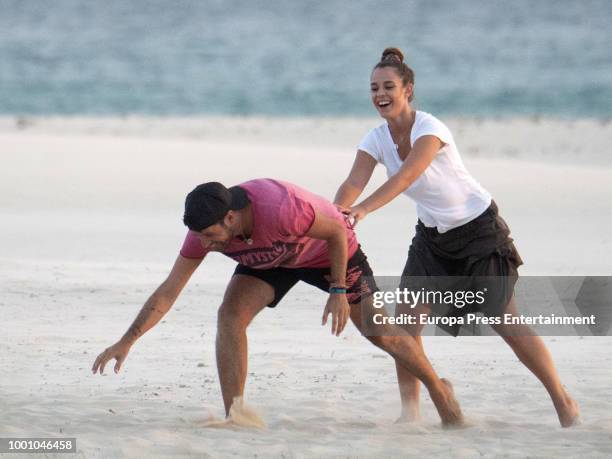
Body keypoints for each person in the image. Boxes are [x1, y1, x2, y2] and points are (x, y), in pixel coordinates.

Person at [333, 47, 579, 427]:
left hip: (479, 231)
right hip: (433, 239)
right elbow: (353, 181)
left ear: (408, 89)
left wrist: (363, 209)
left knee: (505, 321)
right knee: (406, 320)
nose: (380, 94)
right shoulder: (376, 138)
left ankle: (563, 402)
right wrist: (335, 217)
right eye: (373, 88)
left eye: (388, 86)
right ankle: (410, 413)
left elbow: (406, 177)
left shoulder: (430, 129)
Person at [92, 178, 463, 426]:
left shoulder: (281, 207)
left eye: (210, 235)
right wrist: (128, 340)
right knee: (230, 316)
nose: (205, 245)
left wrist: (337, 290)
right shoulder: (202, 235)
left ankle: (437, 388)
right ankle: (235, 414)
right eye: (199, 237)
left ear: (231, 217)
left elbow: (336, 229)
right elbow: (169, 290)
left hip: (328, 253)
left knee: (379, 333)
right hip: (270, 261)